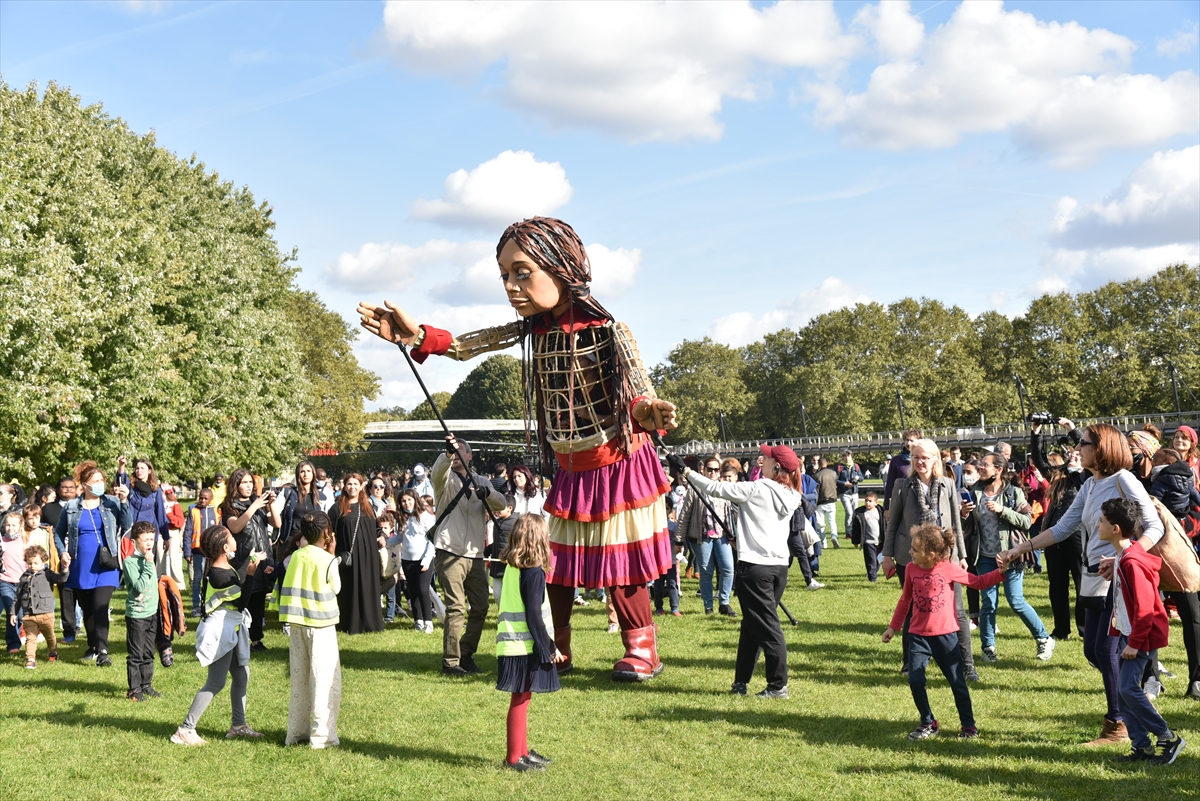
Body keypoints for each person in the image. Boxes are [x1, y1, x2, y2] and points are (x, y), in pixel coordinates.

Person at [358, 216, 677, 682]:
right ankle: (554, 645)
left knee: (622, 562)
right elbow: (472, 344)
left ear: (561, 265)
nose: (511, 286)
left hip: (617, 464)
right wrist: (417, 336)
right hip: (571, 468)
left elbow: (637, 389)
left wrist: (648, 411)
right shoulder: (534, 331)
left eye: (522, 272)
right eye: (505, 275)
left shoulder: (610, 331)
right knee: (558, 569)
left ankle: (642, 650)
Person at [999, 423, 1165, 746]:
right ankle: (1130, 707)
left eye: (1085, 443)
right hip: (1091, 581)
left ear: (1102, 449)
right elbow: (1062, 528)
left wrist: (1123, 560)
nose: (1078, 449)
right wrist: (1022, 547)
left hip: (1116, 583)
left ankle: (1119, 723)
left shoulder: (1123, 480)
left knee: (1105, 650)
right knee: (1093, 650)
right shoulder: (1089, 486)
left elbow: (1154, 526)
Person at [674, 443, 801, 699]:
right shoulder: (792, 493)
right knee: (752, 625)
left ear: (776, 465)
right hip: (778, 567)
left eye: (764, 458)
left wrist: (686, 472)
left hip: (755, 568)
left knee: (768, 628)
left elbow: (715, 488)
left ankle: (778, 686)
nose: (758, 461)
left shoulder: (757, 488)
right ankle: (741, 681)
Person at [883, 523, 1007, 740]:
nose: (909, 552)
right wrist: (893, 628)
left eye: (914, 549)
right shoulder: (911, 569)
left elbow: (976, 582)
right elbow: (905, 600)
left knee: (957, 682)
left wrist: (1000, 573)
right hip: (918, 637)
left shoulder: (948, 568)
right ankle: (928, 721)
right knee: (915, 679)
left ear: (930, 555)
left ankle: (969, 726)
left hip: (946, 637)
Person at [1098, 498, 1186, 764]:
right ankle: (1141, 746)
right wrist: (1113, 566)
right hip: (1131, 632)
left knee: (1127, 688)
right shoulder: (1126, 556)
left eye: (1101, 521)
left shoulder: (1132, 562)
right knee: (1124, 691)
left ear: (1115, 529)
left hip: (1142, 636)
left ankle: (1168, 738)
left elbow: (1146, 607)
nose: (1097, 524)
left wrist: (1135, 642)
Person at [881, 439, 976, 682]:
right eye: (915, 457)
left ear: (936, 459)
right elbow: (893, 525)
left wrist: (961, 555)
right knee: (913, 607)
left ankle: (967, 666)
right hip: (910, 556)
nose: (919, 461)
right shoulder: (902, 485)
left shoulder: (947, 484)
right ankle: (909, 663)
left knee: (958, 610)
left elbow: (955, 522)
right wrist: (888, 555)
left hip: (945, 557)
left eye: (924, 457)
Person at [171, 525, 265, 746]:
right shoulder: (218, 576)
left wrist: (247, 563)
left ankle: (238, 726)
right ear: (225, 547)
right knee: (215, 682)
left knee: (241, 676)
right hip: (219, 632)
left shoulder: (223, 569)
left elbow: (237, 578)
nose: (235, 539)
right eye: (231, 537)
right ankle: (185, 729)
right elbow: (242, 601)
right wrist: (251, 573)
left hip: (229, 629)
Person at [961, 453, 1054, 663]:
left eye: (985, 465)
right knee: (988, 604)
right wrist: (964, 513)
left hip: (1011, 555)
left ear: (998, 470)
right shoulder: (974, 491)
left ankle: (1044, 638)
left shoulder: (1013, 493)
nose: (981, 468)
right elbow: (967, 526)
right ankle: (988, 648)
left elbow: (1027, 521)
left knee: (1016, 600)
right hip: (984, 557)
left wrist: (1003, 510)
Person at [427, 437, 506, 674]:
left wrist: (486, 494)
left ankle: (466, 653)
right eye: (454, 450)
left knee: (481, 607)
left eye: (461, 450)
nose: (457, 453)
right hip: (449, 550)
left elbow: (500, 503)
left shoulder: (481, 480)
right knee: (456, 608)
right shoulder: (445, 479)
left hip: (475, 555)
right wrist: (447, 454)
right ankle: (450, 662)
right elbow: (438, 471)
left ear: (470, 456)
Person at [496, 513, 563, 771]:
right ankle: (514, 757)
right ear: (538, 540)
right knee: (520, 699)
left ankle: (522, 752)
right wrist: (548, 647)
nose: (549, 538)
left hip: (513, 643)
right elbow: (534, 615)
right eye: (546, 534)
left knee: (523, 696)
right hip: (522, 645)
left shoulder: (514, 567)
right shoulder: (533, 572)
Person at [54, 463, 131, 667]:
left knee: (100, 606)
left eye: (102, 480)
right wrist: (62, 552)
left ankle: (103, 651)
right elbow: (58, 533)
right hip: (80, 565)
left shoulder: (112, 503)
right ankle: (93, 646)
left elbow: (128, 523)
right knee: (88, 609)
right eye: (96, 481)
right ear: (85, 485)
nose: (100, 484)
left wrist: (124, 501)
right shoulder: (71, 507)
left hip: (106, 564)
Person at [281, 511, 343, 749]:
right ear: (327, 533)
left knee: (300, 679)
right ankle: (322, 736)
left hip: (297, 623)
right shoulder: (327, 559)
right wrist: (333, 556)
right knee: (324, 679)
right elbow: (336, 588)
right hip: (322, 625)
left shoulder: (296, 555)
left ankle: (296, 733)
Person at [1031, 418, 1086, 642]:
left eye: (1078, 453)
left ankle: (1084, 628)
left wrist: (1073, 429)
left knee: (1082, 582)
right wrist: (1036, 432)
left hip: (1077, 535)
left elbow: (1091, 446)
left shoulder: (1089, 477)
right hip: (1053, 534)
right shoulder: (1060, 476)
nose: (1074, 454)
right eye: (1071, 453)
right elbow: (1039, 460)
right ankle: (1061, 629)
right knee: (1057, 585)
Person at [221, 469, 284, 650]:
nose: (249, 486)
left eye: (251, 482)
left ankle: (256, 640)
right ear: (236, 485)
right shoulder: (229, 506)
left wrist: (270, 504)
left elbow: (277, 523)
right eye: (244, 483)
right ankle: (237, 638)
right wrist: (255, 506)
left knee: (258, 600)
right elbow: (235, 527)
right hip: (243, 559)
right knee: (243, 600)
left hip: (263, 558)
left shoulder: (256, 503)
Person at [676, 455, 736, 617]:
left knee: (728, 569)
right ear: (703, 470)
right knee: (706, 571)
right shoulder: (695, 489)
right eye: (710, 469)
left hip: (723, 536)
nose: (713, 473)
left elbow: (732, 514)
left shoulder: (725, 488)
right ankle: (708, 606)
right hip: (702, 537)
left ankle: (724, 603)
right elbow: (684, 516)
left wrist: (735, 535)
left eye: (717, 470)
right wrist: (679, 540)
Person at [325, 473, 384, 636]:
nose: (352, 487)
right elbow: (330, 531)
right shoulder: (337, 508)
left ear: (361, 486)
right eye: (349, 484)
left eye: (355, 484)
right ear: (344, 486)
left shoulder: (367, 505)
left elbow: (377, 526)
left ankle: (370, 622)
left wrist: (381, 536)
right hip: (348, 556)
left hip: (368, 556)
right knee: (349, 587)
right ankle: (350, 622)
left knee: (368, 586)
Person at [14, 544, 69, 669]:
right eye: (30, 563)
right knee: (30, 638)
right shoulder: (24, 577)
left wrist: (65, 570)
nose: (32, 566)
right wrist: (13, 613)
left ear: (43, 560)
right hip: (29, 615)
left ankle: (53, 651)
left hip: (46, 613)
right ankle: (30, 659)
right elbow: (17, 597)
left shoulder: (47, 574)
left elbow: (60, 579)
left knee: (50, 636)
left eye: (35, 563)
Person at [123, 521, 161, 701]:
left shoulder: (150, 559)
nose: (148, 543)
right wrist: (147, 564)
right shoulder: (130, 562)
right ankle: (134, 689)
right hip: (137, 615)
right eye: (145, 540)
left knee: (148, 652)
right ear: (134, 542)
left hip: (151, 613)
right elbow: (139, 586)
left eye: (151, 539)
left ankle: (146, 685)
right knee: (136, 654)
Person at [392, 490, 436, 634]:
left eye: (409, 500)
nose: (407, 503)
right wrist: (385, 542)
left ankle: (428, 622)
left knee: (423, 590)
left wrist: (427, 560)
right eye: (403, 501)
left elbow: (432, 540)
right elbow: (400, 537)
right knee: (413, 591)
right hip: (407, 560)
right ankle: (418, 620)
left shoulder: (426, 517)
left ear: (415, 499)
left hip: (424, 560)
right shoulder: (401, 517)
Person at [117, 457, 170, 558]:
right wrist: (121, 465)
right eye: (137, 468)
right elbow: (121, 478)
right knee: (130, 566)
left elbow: (161, 514)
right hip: (131, 534)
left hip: (148, 537)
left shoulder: (155, 491)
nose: (139, 471)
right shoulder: (131, 487)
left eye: (142, 468)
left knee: (148, 566)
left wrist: (166, 538)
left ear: (149, 471)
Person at [182, 489, 221, 616]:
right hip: (197, 551)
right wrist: (187, 552)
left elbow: (220, 532)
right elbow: (187, 532)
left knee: (211, 578)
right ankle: (196, 606)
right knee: (197, 578)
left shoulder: (216, 512)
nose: (202, 500)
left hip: (212, 552)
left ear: (210, 499)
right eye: (201, 498)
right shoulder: (193, 512)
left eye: (205, 498)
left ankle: (209, 604)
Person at [2, 512, 27, 654]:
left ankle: (19, 636)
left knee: (20, 615)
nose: (10, 528)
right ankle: (13, 644)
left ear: (20, 526)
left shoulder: (25, 541)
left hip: (22, 582)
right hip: (5, 581)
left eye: (13, 525)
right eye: (8, 525)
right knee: (12, 610)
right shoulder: (1, 542)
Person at [883, 429, 922, 521]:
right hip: (902, 501)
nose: (908, 443)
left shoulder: (923, 460)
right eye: (906, 440)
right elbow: (890, 485)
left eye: (912, 440)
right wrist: (887, 507)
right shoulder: (896, 461)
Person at [850, 491, 885, 582]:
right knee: (870, 560)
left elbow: (886, 526)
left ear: (876, 502)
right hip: (868, 542)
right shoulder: (860, 513)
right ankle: (872, 577)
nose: (867, 503)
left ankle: (873, 572)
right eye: (866, 501)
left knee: (878, 560)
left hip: (881, 541)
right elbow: (856, 528)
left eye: (870, 501)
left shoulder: (881, 512)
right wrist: (855, 540)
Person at [836, 451, 863, 538]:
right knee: (849, 512)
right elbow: (835, 479)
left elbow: (862, 478)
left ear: (852, 457)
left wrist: (858, 478)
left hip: (854, 493)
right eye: (845, 456)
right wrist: (844, 483)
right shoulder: (839, 467)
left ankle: (854, 531)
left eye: (848, 456)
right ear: (843, 457)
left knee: (855, 513)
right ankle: (848, 532)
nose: (847, 458)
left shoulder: (856, 466)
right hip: (844, 493)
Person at [814, 457, 840, 548]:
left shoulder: (817, 475)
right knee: (832, 521)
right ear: (827, 463)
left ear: (819, 465)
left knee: (821, 524)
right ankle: (834, 536)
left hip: (821, 501)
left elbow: (816, 490)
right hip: (831, 500)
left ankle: (824, 542)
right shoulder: (833, 473)